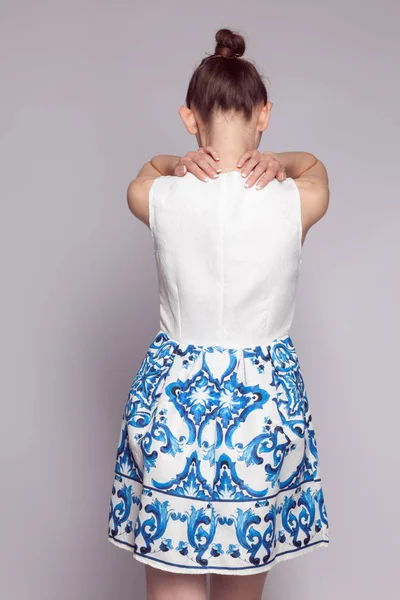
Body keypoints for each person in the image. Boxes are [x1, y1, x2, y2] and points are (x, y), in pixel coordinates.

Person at [108, 27, 330, 600]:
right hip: (263, 410)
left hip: (175, 405)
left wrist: (175, 164)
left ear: (190, 118)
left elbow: (146, 171)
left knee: (170, 589)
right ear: (265, 113)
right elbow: (315, 168)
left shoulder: (158, 195)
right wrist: (279, 160)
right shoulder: (296, 200)